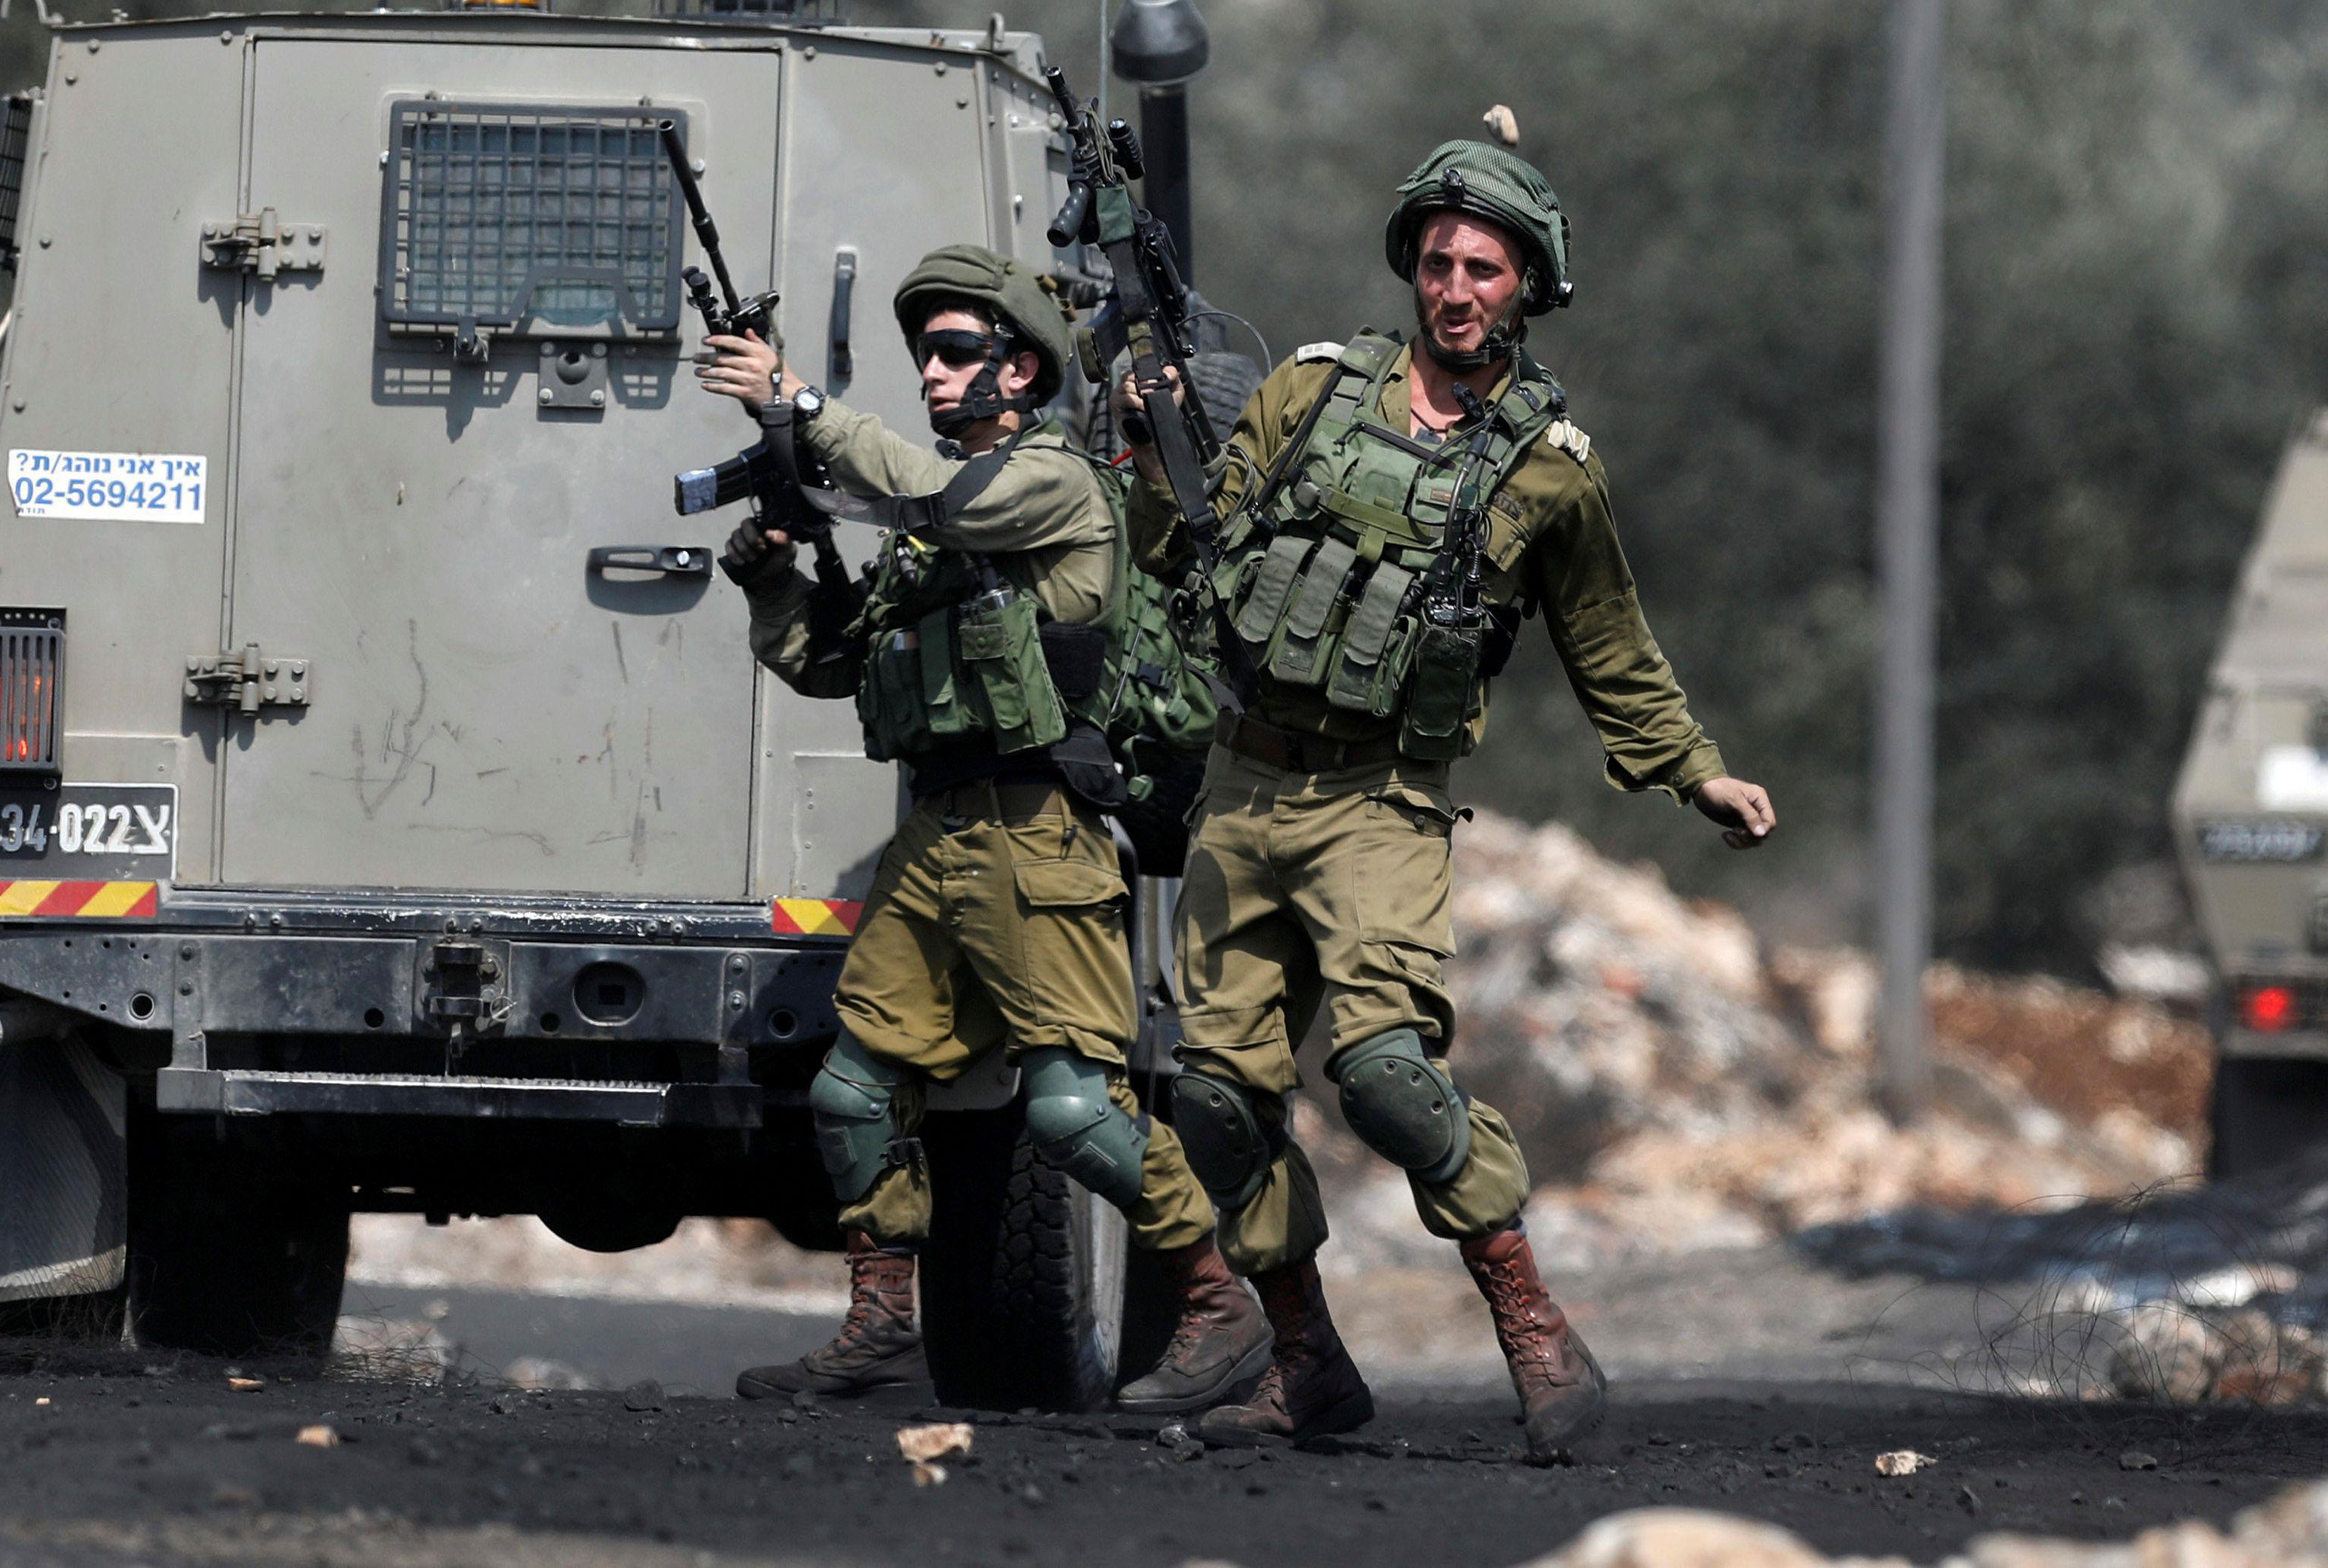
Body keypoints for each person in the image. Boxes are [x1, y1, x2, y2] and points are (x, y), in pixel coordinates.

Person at [1124, 142, 1776, 1458]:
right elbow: (1183, 559)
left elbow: (1608, 640)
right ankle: (1302, 1356)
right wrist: (1148, 454)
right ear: (1410, 269)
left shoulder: (1549, 469)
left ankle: (1536, 1327)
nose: (1456, 287)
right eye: (1438, 262)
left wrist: (1692, 766)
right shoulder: (1308, 394)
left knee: (1383, 1076)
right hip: (1245, 787)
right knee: (1214, 1095)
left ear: (1528, 285)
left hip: (1382, 802)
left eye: (1485, 267)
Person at [707, 244, 1271, 1413]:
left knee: (1071, 1106)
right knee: (855, 1089)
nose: (933, 369)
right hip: (940, 836)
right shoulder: (937, 528)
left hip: (1038, 836)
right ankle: (879, 1324)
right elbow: (838, 661)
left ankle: (1220, 1302)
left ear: (1021, 371)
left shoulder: (1045, 482)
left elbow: (931, 494)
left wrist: (796, 401)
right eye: (926, 352)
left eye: (958, 351)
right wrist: (770, 582)